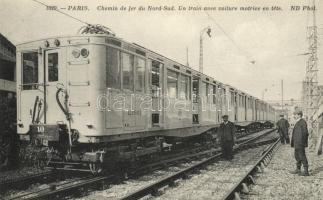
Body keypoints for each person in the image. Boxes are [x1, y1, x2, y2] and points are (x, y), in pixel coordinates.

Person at [290, 110, 309, 176]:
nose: (294, 116)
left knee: (302, 156)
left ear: (299, 115)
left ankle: (306, 171)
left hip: (300, 142)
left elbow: (305, 133)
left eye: (295, 114)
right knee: (297, 156)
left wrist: (302, 142)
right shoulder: (298, 122)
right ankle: (298, 169)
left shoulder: (302, 122)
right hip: (297, 142)